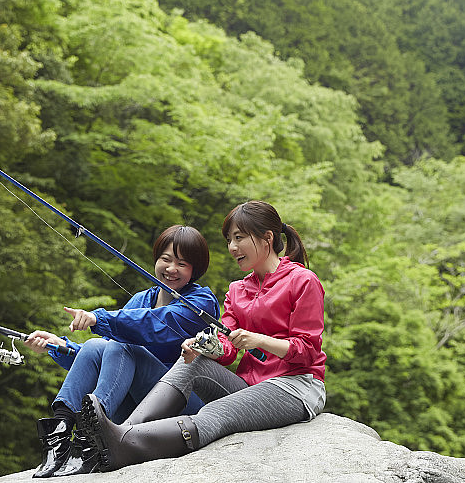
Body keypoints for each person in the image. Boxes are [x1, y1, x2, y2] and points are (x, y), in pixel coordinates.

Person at [77, 200, 327, 471]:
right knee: (192, 364)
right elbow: (226, 349)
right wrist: (203, 345)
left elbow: (308, 350)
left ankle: (125, 442)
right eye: (229, 240)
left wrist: (258, 340)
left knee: (214, 412)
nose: (232, 248)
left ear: (267, 238)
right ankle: (120, 434)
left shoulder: (303, 281)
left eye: (239, 238)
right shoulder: (237, 290)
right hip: (249, 385)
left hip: (294, 386)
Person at [23, 225, 219, 477]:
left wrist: (99, 318)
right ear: (156, 259)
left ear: (195, 269)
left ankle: (92, 435)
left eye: (182, 264)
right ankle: (59, 434)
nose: (171, 269)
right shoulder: (141, 299)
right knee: (97, 345)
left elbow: (154, 325)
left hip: (179, 402)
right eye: (166, 259)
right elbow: (106, 357)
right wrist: (60, 347)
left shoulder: (201, 302)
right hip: (137, 408)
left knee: (121, 342)